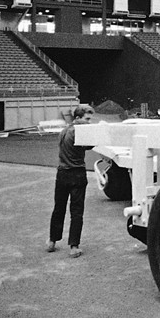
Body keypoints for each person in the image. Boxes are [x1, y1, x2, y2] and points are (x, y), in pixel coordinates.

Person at [47, 105, 95, 258]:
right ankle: (74, 246)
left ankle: (52, 241)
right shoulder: (79, 133)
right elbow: (90, 145)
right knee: (77, 211)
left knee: (58, 208)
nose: (88, 123)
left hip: (61, 173)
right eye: (87, 119)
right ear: (78, 118)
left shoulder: (63, 131)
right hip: (77, 174)